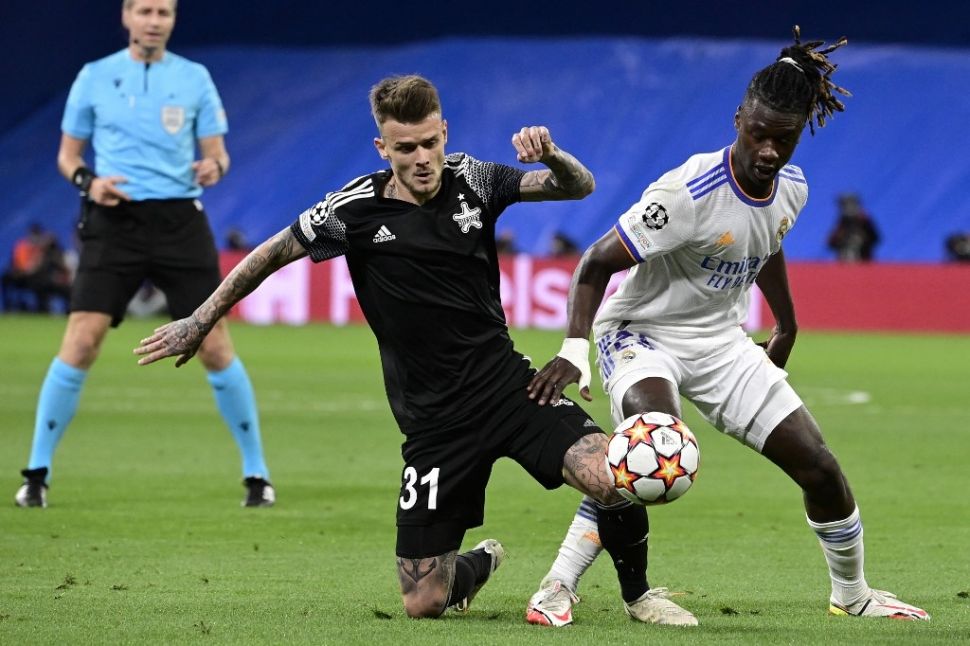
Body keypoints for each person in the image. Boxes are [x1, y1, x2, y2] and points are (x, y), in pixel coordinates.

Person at [134, 74, 695, 624]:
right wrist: (200, 320)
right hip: (432, 425)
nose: (422, 157)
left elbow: (577, 187)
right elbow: (269, 255)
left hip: (510, 389)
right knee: (423, 601)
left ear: (444, 133)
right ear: (383, 147)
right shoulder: (350, 211)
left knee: (616, 475)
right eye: (406, 148)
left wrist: (551, 155)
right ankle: (480, 563)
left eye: (430, 142)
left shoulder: (473, 179)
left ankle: (640, 597)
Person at [524, 27, 929, 626]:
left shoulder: (792, 188)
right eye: (758, 133)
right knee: (651, 448)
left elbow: (764, 244)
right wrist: (573, 348)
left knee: (819, 466)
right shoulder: (686, 193)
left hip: (720, 342)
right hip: (641, 332)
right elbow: (595, 263)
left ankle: (853, 594)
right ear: (737, 118)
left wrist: (787, 323)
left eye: (783, 139)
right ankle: (557, 586)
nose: (768, 150)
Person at [14, 0, 274, 509]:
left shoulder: (195, 77)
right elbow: (68, 158)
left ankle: (257, 475)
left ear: (173, 20)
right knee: (82, 339)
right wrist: (91, 182)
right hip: (114, 221)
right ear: (127, 16)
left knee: (214, 342)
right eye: (146, 10)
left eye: (165, 12)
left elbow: (219, 153)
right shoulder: (94, 76)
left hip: (180, 222)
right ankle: (36, 474)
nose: (155, 20)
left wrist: (213, 167)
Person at [1, 223, 72, 313]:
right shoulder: (22, 246)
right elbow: (16, 263)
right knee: (6, 278)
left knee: (42, 283)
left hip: (39, 279)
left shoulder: (45, 249)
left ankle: (43, 309)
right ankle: (8, 306)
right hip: (23, 276)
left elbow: (55, 266)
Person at [827, 192, 879, 261]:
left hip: (864, 259)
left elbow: (875, 238)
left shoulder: (864, 220)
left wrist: (862, 238)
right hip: (844, 261)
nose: (848, 207)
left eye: (851, 204)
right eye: (845, 205)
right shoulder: (842, 223)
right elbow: (831, 242)